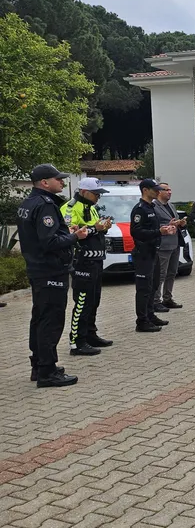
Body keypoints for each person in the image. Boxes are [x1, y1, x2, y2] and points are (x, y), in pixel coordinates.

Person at [17, 164, 86, 387]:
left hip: (37, 269)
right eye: (58, 179)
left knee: (39, 317)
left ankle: (38, 365)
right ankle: (47, 372)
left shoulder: (28, 203)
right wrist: (75, 237)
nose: (62, 182)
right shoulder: (45, 205)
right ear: (45, 182)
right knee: (51, 320)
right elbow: (49, 242)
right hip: (50, 270)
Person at [60, 177, 114, 356]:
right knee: (82, 302)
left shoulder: (91, 207)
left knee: (94, 301)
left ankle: (90, 334)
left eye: (100, 194)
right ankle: (77, 342)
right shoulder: (69, 207)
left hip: (96, 261)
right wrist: (95, 228)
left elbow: (93, 230)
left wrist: (103, 227)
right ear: (83, 192)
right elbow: (70, 234)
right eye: (95, 194)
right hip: (81, 262)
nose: (98, 197)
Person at [131, 179, 177, 332]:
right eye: (154, 189)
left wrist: (165, 228)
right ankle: (142, 321)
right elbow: (136, 232)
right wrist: (158, 232)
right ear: (145, 190)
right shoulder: (140, 209)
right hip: (143, 254)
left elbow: (154, 229)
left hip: (154, 251)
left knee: (154, 284)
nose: (158, 191)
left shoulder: (151, 207)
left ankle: (150, 315)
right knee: (144, 289)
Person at [153, 183, 188, 312]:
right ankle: (155, 301)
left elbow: (175, 221)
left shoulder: (171, 206)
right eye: (166, 190)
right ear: (159, 191)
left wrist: (181, 223)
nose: (169, 192)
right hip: (163, 245)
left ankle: (167, 298)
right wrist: (168, 224)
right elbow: (153, 225)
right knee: (160, 274)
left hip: (175, 243)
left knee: (172, 273)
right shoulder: (154, 207)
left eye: (170, 190)